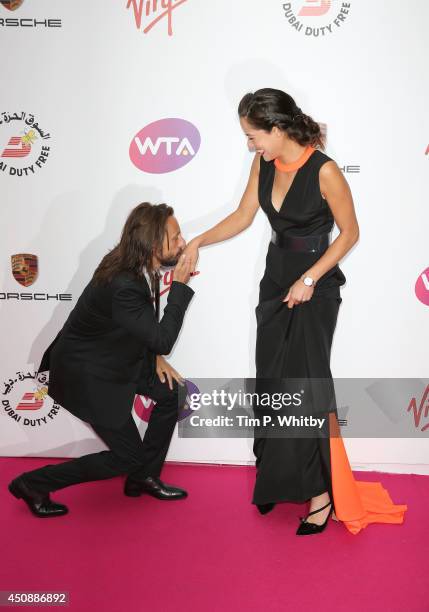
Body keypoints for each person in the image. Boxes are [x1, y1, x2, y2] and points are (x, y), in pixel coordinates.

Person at [184, 88, 407, 535]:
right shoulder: (263, 164)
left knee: (305, 387)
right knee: (272, 382)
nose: (251, 145)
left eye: (253, 136)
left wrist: (311, 279)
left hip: (315, 289)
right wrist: (196, 241)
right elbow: (244, 215)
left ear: (278, 127)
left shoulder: (324, 171)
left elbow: (350, 233)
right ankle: (276, 480)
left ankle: (322, 495)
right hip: (275, 285)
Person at [8, 202, 196, 518]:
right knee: (126, 457)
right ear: (152, 245)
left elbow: (142, 329)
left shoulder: (134, 263)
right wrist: (178, 286)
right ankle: (33, 483)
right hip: (90, 375)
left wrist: (154, 356)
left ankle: (143, 477)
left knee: (172, 393)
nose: (182, 242)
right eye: (176, 238)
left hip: (118, 357)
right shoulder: (124, 282)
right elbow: (162, 337)